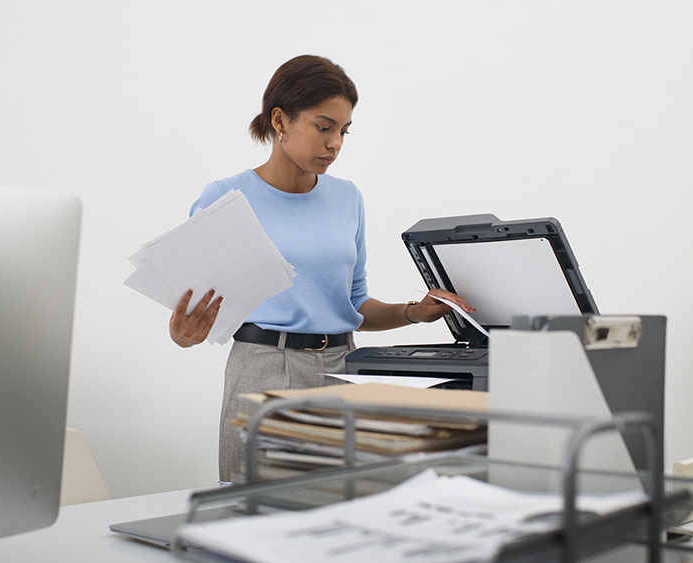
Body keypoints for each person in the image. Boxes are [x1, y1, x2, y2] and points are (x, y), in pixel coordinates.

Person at [168, 55, 474, 482]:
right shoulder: (226, 196)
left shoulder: (348, 198)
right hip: (264, 368)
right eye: (323, 126)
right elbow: (189, 315)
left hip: (343, 366)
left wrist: (413, 312)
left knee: (344, 507)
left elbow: (355, 304)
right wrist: (183, 334)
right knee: (253, 512)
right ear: (280, 121)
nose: (335, 143)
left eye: (344, 131)